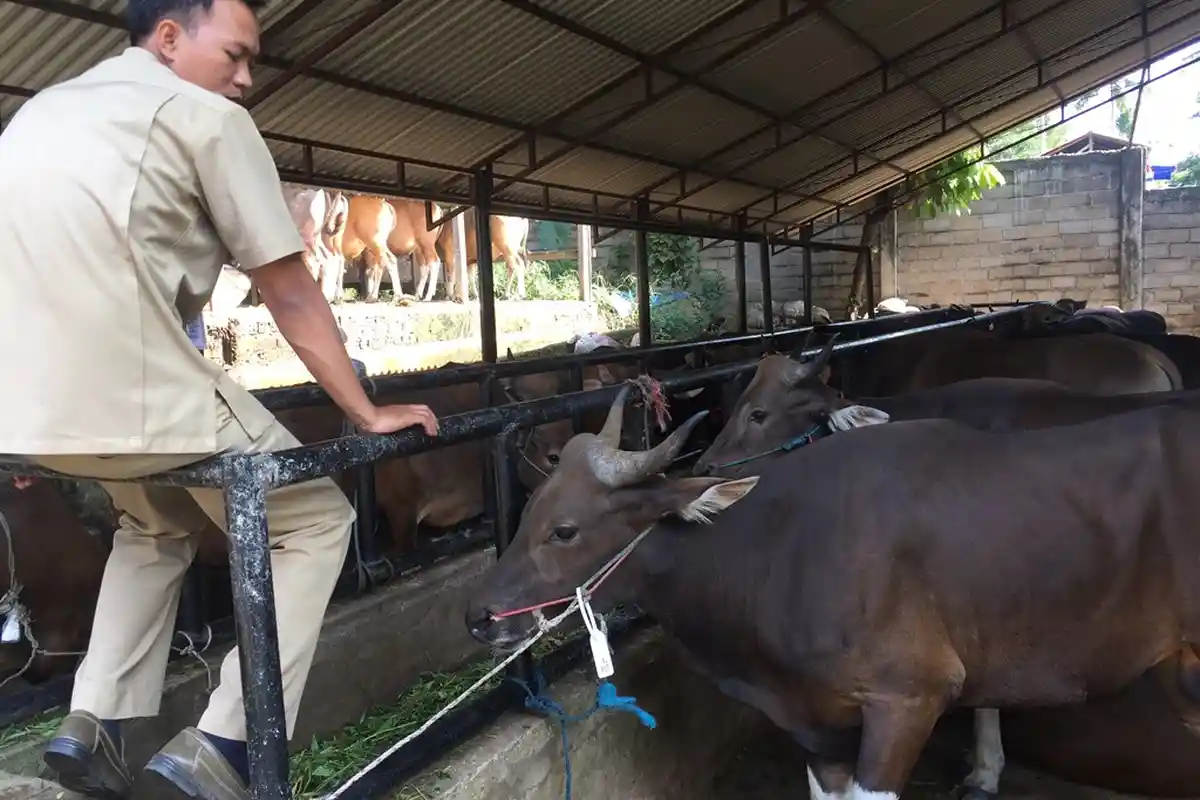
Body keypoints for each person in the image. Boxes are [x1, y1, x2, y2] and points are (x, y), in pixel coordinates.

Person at [0, 1, 439, 798]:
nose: (246, 77)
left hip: (24, 410)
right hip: (133, 388)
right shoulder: (206, 118)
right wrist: (365, 411)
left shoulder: (38, 113)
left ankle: (91, 723)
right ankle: (223, 746)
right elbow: (288, 288)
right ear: (169, 37)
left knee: (153, 520)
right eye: (236, 54)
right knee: (316, 518)